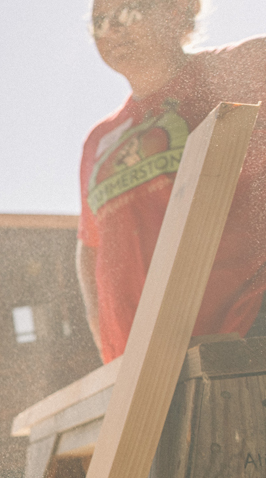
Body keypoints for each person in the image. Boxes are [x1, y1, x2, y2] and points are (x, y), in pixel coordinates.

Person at [79, 0, 266, 362]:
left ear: (179, 10)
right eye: (98, 21)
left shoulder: (247, 64)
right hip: (144, 367)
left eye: (128, 11)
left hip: (247, 329)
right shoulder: (98, 140)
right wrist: (107, 341)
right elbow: (90, 247)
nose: (111, 29)